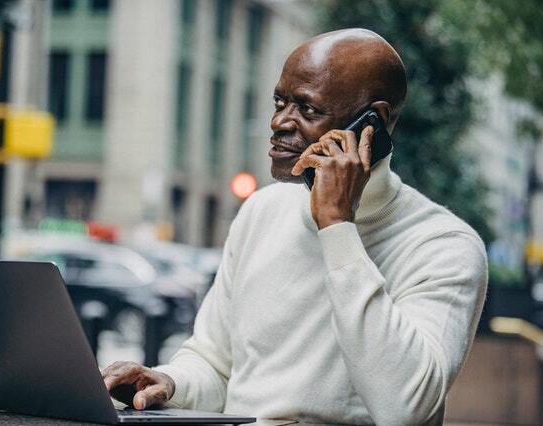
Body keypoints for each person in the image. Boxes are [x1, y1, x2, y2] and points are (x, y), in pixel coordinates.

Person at [102, 28, 487, 425]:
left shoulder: (445, 246)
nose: (278, 122)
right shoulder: (262, 211)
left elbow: (405, 409)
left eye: (307, 109)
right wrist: (170, 383)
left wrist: (337, 226)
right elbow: (215, 365)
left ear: (374, 123)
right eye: (279, 102)